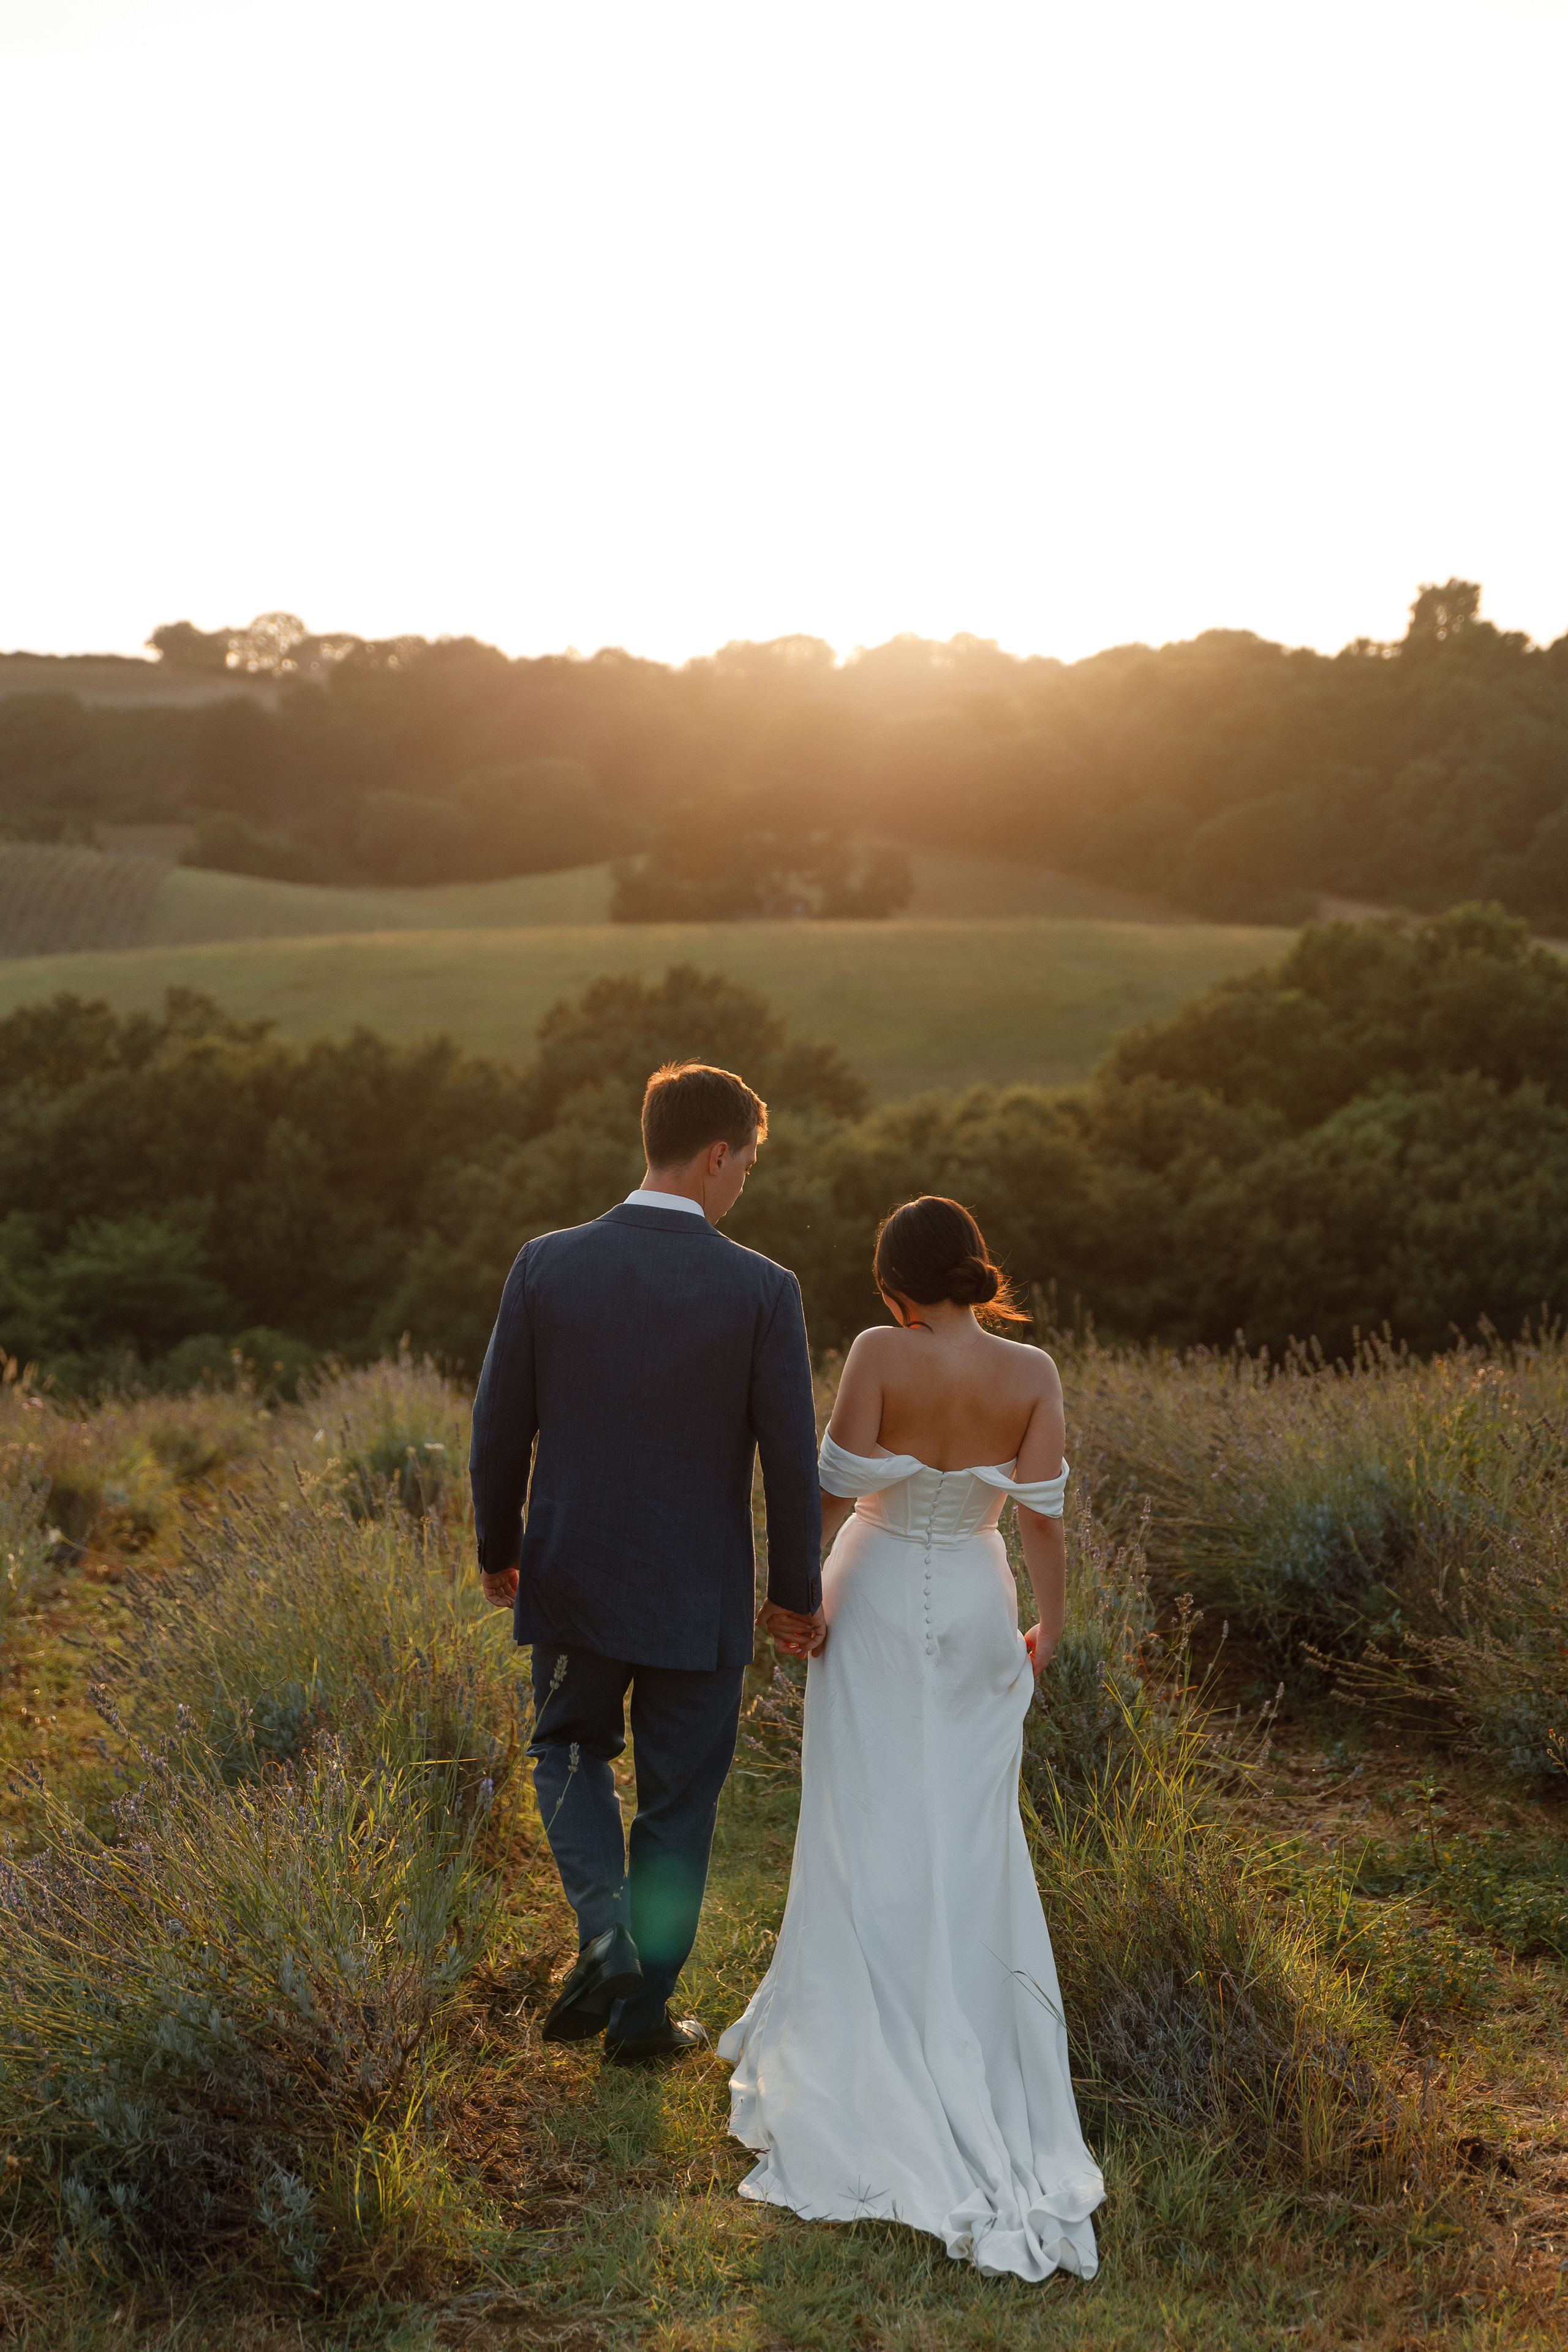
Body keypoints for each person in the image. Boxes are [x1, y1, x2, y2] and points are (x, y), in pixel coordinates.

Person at [718, 1196, 1105, 2282]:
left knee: (863, 1810)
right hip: (982, 1605)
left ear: (893, 1281)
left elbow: (830, 1487)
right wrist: (1055, 1622)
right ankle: (975, 2025)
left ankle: (869, 2027)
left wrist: (798, 1600)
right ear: (973, 1271)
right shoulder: (1033, 1376)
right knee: (972, 1827)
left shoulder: (879, 1350)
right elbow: (1040, 1516)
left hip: (876, 1596)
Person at [470, 1060, 822, 2063]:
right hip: (698, 1596)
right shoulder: (765, 1290)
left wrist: (501, 1548)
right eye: (746, 1164)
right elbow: (790, 1465)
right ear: (717, 1155)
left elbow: (499, 1432)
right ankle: (641, 2019)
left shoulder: (546, 1264)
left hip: (575, 1573)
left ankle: (604, 1933)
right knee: (678, 1804)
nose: (743, 1181)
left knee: (570, 1750)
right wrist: (794, 1596)